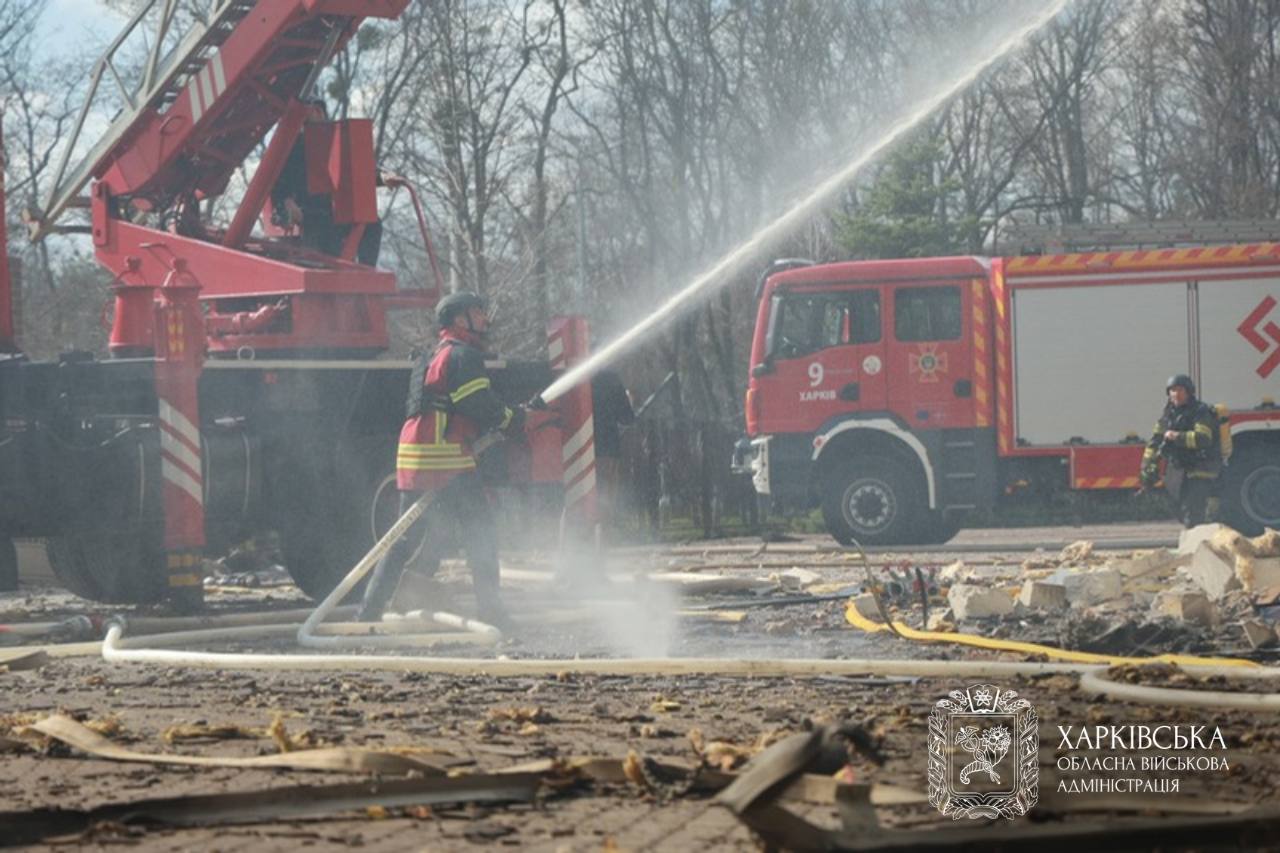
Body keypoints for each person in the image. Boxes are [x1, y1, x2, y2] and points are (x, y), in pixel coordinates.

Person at [357, 292, 524, 626]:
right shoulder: (464, 355)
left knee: (403, 539)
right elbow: (478, 404)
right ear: (460, 319)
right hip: (444, 459)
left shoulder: (434, 355)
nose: (485, 319)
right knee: (480, 532)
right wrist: (513, 418)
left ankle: (368, 614)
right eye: (478, 313)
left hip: (414, 457)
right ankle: (493, 613)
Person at [1139, 374, 1222, 527]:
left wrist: (1177, 436)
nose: (1176, 394)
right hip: (1178, 468)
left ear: (1189, 392)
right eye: (1172, 390)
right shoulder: (1168, 414)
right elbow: (1155, 441)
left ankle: (1197, 537)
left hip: (1200, 467)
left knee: (1193, 513)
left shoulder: (1200, 411)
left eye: (1180, 390)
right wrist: (1147, 465)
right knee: (1177, 509)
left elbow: (1203, 439)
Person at [591, 369, 636, 529]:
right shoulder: (611, 379)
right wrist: (630, 401)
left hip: (581, 447)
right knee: (607, 489)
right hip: (607, 445)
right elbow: (627, 417)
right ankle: (605, 528)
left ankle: (590, 526)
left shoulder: (579, 377)